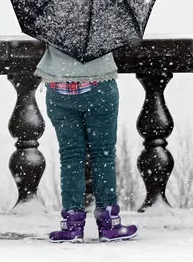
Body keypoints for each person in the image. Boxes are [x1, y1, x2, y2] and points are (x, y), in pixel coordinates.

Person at [34, 45, 138, 243]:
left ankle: (72, 224)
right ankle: (109, 223)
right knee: (103, 155)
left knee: (70, 155)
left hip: (59, 87)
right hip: (99, 84)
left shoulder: (52, 15)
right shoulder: (104, 15)